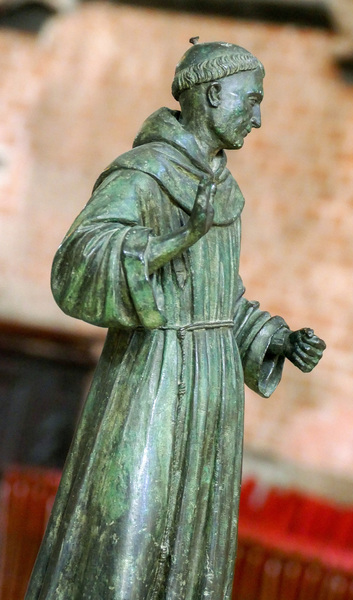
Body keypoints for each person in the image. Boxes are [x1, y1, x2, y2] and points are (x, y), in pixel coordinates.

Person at [25, 39, 326, 600]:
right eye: (252, 100)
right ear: (213, 94)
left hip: (211, 395)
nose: (259, 119)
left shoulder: (223, 188)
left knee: (192, 549)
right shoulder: (144, 174)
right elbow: (79, 261)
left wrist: (277, 339)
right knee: (128, 536)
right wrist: (180, 237)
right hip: (151, 382)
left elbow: (219, 301)